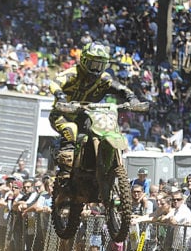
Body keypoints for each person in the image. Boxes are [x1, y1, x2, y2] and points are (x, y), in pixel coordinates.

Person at [48, 42, 142, 185]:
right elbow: (54, 83)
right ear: (84, 60)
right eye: (93, 64)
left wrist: (133, 99)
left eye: (100, 65)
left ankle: (104, 164)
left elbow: (121, 88)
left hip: (85, 115)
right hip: (62, 114)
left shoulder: (104, 79)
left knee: (103, 130)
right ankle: (65, 171)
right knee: (71, 130)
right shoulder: (73, 73)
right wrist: (60, 96)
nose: (96, 69)